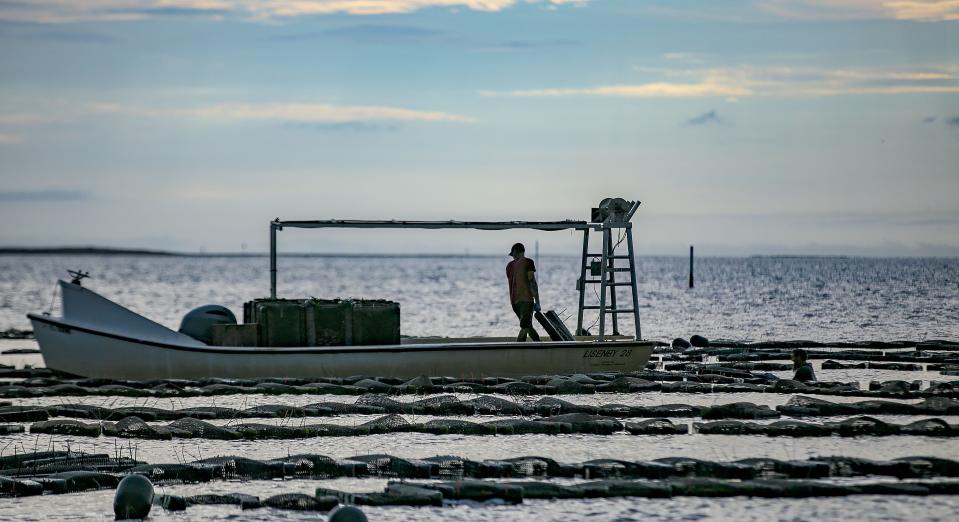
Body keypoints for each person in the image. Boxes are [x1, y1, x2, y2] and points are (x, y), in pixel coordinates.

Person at [506, 242, 541, 342]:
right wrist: (537, 302)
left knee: (528, 326)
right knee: (525, 327)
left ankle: (539, 344)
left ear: (516, 252)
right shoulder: (528, 262)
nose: (512, 257)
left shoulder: (509, 266)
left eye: (512, 255)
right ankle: (517, 351)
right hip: (526, 300)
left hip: (514, 303)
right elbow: (532, 282)